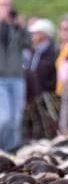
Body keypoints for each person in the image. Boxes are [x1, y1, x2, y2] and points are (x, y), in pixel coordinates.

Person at [0, 0, 30, 153]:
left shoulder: (16, 27)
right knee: (3, 118)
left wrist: (21, 27)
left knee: (16, 120)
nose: (6, 9)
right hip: (1, 79)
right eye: (3, 5)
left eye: (8, 5)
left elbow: (28, 44)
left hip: (17, 78)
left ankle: (11, 153)